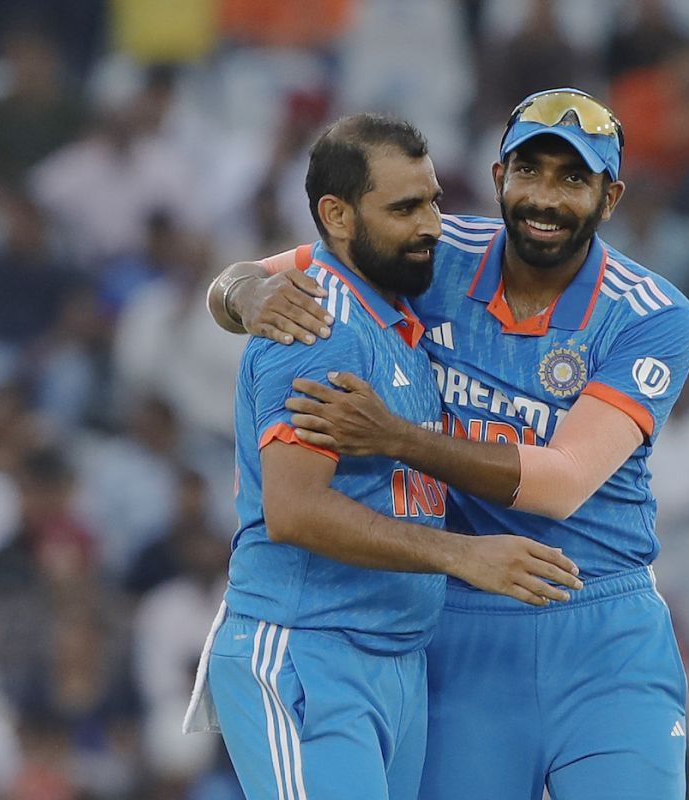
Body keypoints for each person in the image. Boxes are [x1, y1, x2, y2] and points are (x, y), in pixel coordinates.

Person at [209, 89, 689, 799]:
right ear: (498, 176)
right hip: (458, 622)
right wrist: (245, 297)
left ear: (611, 195)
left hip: (603, 626)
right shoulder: (432, 250)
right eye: (529, 170)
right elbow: (268, 276)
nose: (545, 197)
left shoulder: (651, 314)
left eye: (573, 178)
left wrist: (396, 437)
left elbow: (561, 482)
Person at [183, 113, 581, 800]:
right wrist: (462, 555)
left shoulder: (394, 322)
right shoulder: (319, 325)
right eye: (404, 208)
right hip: (308, 646)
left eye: (433, 200)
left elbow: (235, 286)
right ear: (336, 216)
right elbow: (295, 511)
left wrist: (238, 288)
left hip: (392, 659)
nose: (430, 225)